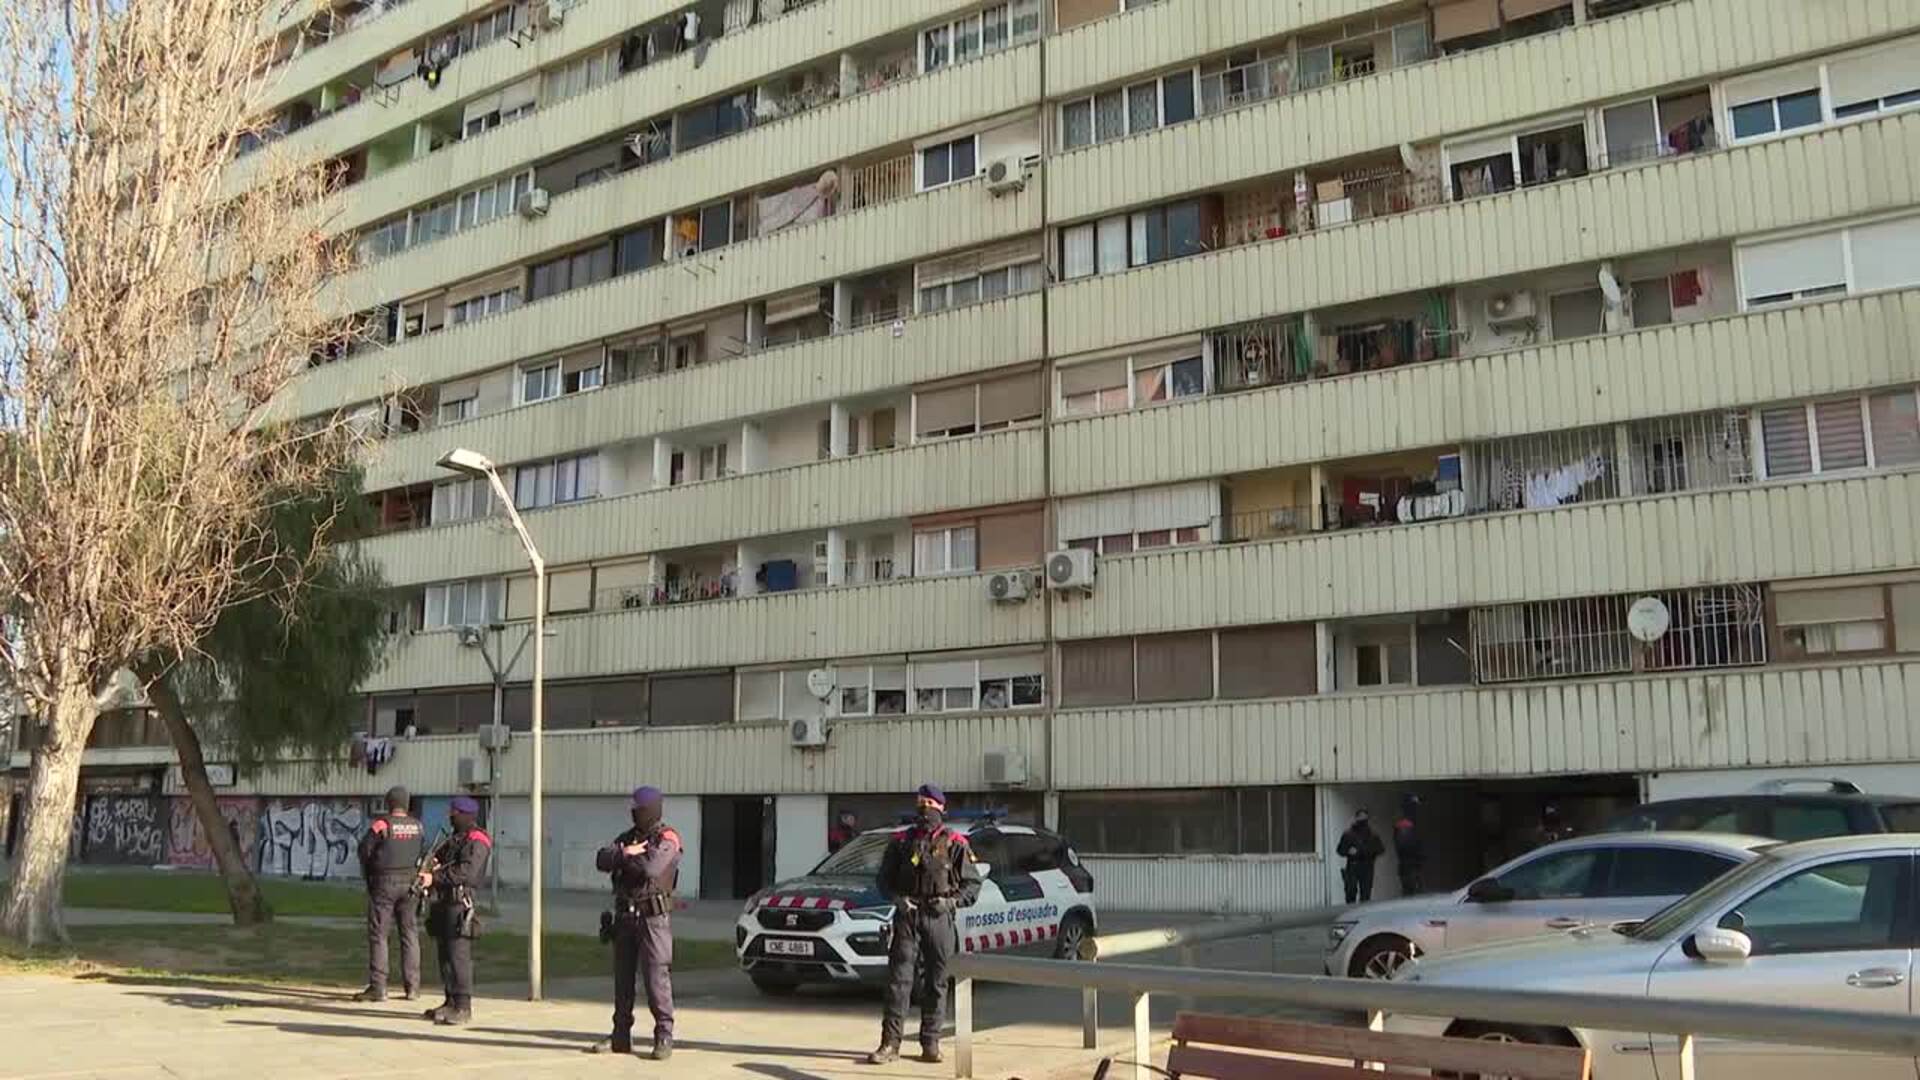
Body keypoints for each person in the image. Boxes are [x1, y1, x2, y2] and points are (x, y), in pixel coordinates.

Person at [866, 784, 981, 1066]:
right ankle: (889, 1044)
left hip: (938, 917)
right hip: (907, 916)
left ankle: (930, 1043)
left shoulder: (955, 842)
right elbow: (883, 880)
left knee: (936, 982)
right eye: (920, 802)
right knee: (898, 983)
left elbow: (972, 884)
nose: (924, 807)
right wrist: (896, 899)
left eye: (930, 802)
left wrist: (951, 903)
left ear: (942, 808)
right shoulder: (901, 842)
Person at [590, 786, 683, 1061]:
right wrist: (627, 853)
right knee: (623, 980)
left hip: (653, 919)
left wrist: (625, 856)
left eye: (639, 809)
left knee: (656, 979)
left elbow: (652, 868)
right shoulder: (628, 838)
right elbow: (601, 859)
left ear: (652, 809)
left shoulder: (668, 837)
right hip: (625, 918)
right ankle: (620, 1035)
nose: (635, 813)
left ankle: (664, 1035)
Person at [420, 795, 489, 1026]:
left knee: (459, 956)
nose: (450, 816)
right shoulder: (455, 838)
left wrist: (434, 877)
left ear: (464, 814)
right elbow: (440, 858)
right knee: (445, 956)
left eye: (454, 813)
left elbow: (466, 873)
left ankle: (463, 1006)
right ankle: (449, 1000)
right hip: (443, 902)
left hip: (460, 903)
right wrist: (430, 866)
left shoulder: (477, 839)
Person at [354, 785, 425, 1002]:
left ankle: (379, 987)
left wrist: (371, 872)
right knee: (410, 934)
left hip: (384, 883)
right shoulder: (418, 826)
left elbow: (364, 849)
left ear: (388, 803)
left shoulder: (382, 824)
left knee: (379, 934)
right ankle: (412, 988)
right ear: (406, 803)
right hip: (411, 884)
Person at [1336, 809, 1384, 904]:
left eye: (1364, 817)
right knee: (1351, 893)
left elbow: (1380, 849)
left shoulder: (1373, 835)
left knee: (1365, 895)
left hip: (1367, 866)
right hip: (1353, 867)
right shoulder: (1348, 834)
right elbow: (1340, 850)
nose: (1362, 820)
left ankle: (1362, 914)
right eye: (1360, 817)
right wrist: (1348, 852)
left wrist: (1365, 852)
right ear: (1356, 818)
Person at [1393, 794, 1424, 896]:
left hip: (1412, 865)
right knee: (1410, 892)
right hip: (1409, 865)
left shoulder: (1412, 823)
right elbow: (1404, 846)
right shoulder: (1404, 824)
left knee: (1413, 891)